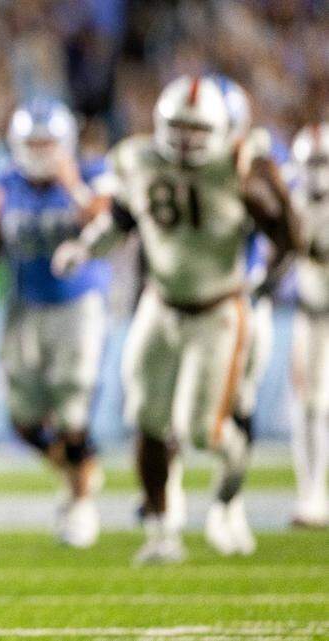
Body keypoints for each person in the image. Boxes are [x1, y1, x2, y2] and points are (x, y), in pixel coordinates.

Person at [53, 75, 298, 564]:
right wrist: (86, 248)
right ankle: (162, 530)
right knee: (146, 420)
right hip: (159, 303)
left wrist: (267, 269)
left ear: (222, 130)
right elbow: (123, 218)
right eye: (177, 127)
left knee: (201, 433)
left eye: (197, 129)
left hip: (219, 310)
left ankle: (229, 489)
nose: (185, 140)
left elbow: (289, 236)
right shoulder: (139, 158)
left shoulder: (239, 166)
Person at [0, 98, 112, 549]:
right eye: (32, 143)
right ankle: (79, 470)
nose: (40, 151)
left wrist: (73, 185)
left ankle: (80, 506)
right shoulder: (7, 183)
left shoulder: (92, 174)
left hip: (79, 304)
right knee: (23, 421)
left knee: (74, 407)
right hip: (24, 306)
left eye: (48, 142)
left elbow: (108, 225)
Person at [288, 122, 329, 529]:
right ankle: (312, 493)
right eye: (311, 163)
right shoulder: (292, 199)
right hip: (313, 314)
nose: (318, 172)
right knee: (309, 406)